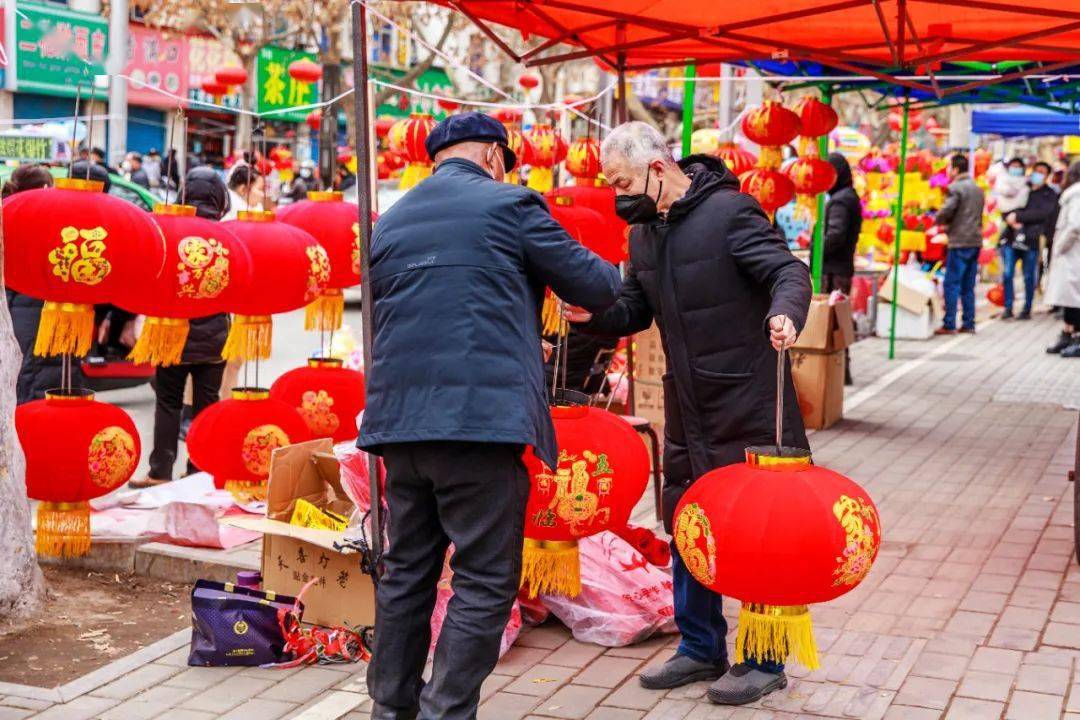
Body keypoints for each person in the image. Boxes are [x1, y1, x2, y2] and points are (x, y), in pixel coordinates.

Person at [357, 112, 621, 720]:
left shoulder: (391, 220)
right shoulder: (510, 205)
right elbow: (597, 284)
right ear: (496, 158)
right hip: (477, 423)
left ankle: (389, 710)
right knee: (482, 578)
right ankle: (444, 713)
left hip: (400, 424)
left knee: (406, 574)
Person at [571, 122, 811, 706]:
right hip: (687, 400)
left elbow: (788, 271)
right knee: (687, 517)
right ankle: (700, 644)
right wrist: (593, 313)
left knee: (756, 527)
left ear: (658, 168)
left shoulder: (730, 212)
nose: (617, 194)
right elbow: (635, 307)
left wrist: (786, 312)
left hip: (750, 399)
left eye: (622, 181)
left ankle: (764, 658)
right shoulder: (644, 236)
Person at [131, 167, 231, 488]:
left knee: (168, 402)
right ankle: (199, 470)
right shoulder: (227, 238)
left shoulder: (166, 232)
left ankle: (160, 471)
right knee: (207, 404)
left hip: (172, 335)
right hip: (215, 338)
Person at [3, 164, 73, 404]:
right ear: (44, 189)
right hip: (36, 313)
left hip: (13, 310)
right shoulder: (46, 223)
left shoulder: (6, 215)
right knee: (33, 384)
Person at [822, 152, 861, 384]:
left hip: (834, 269)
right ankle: (840, 370)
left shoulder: (841, 200)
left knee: (833, 321)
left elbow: (836, 235)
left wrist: (815, 254)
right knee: (838, 320)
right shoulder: (847, 196)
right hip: (841, 266)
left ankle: (838, 370)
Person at [934, 154, 985, 335]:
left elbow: (948, 209)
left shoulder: (956, 188)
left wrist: (937, 219)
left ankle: (949, 323)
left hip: (959, 241)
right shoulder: (978, 189)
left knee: (952, 283)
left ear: (955, 169)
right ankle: (969, 322)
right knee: (968, 285)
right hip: (975, 240)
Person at [1002, 161, 1057, 319]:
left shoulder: (1049, 194)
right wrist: (1009, 218)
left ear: (1047, 176)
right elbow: (1005, 206)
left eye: (1042, 172)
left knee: (1028, 275)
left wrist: (1018, 217)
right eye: (1036, 171)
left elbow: (1043, 214)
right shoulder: (1021, 188)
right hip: (1011, 237)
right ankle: (1008, 307)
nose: (1038, 174)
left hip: (1032, 239)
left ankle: (1026, 308)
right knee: (1007, 274)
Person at [1045, 161, 1080, 357]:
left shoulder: (1076, 194)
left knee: (1074, 297)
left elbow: (1075, 225)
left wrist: (1060, 247)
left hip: (1073, 253)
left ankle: (1075, 336)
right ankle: (1068, 333)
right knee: (1070, 297)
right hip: (1072, 253)